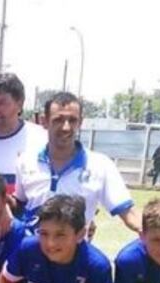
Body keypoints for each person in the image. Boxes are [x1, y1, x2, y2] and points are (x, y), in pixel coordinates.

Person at [15, 92, 141, 236]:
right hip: (32, 254)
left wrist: (149, 231)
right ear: (44, 121)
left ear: (80, 122)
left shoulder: (101, 164)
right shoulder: (25, 161)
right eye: (58, 120)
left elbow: (128, 211)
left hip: (76, 255)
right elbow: (19, 205)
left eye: (72, 120)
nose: (66, 127)